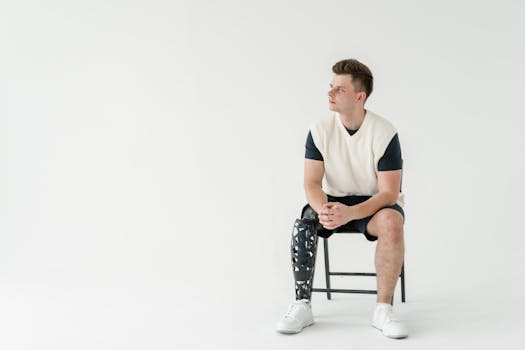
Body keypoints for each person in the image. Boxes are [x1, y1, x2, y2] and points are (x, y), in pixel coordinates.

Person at [276, 58, 408, 339]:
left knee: (393, 223)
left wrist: (352, 213)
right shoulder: (319, 129)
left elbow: (389, 192)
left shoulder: (385, 132)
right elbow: (311, 182)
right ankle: (302, 304)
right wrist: (323, 209)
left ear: (359, 97)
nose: (330, 93)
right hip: (332, 202)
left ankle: (383, 309)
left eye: (339, 89)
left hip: (373, 204)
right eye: (330, 87)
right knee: (304, 224)